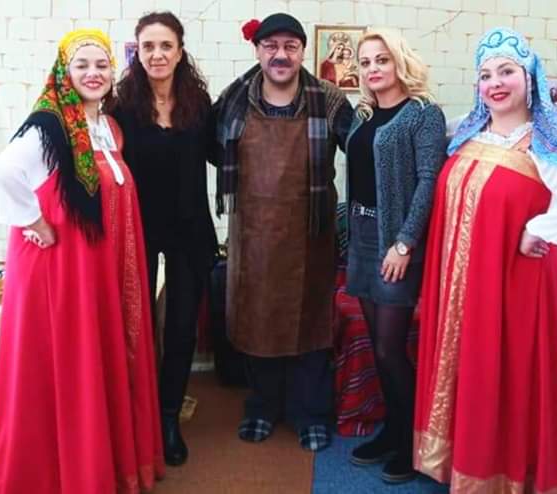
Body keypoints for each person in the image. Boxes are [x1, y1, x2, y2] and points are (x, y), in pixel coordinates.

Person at [413, 27, 557, 493]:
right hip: (458, 280)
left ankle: (495, 471)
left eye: (506, 71)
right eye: (485, 75)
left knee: (501, 369)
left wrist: (539, 229)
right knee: (464, 364)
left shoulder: (547, 143)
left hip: (511, 281)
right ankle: (454, 459)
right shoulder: (467, 133)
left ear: (530, 78)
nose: (495, 83)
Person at [0, 29, 164, 493]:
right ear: (64, 72)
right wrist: (33, 221)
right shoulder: (49, 126)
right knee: (65, 365)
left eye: (101, 65)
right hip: (60, 271)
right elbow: (3, 174)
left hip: (96, 269)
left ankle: (104, 461)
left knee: (99, 358)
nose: (93, 73)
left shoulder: (108, 128)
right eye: (82, 65)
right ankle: (66, 473)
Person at [214, 12, 353, 451]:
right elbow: (211, 150)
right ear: (257, 50)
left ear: (302, 52)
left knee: (311, 324)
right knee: (257, 323)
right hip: (252, 235)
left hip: (311, 235)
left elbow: (363, 148)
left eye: (290, 47)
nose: (280, 55)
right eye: (271, 46)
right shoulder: (234, 100)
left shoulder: (329, 100)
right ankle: (262, 407)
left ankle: (309, 413)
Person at [110, 11, 218, 467]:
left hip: (190, 229)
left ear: (179, 52)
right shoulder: (121, 107)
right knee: (136, 325)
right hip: (139, 229)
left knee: (181, 326)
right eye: (148, 46)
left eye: (165, 46)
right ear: (137, 52)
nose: (157, 54)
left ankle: (169, 416)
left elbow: (224, 153)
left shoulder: (198, 103)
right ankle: (139, 415)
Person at [344, 29, 446, 484]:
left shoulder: (423, 114)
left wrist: (405, 243)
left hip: (395, 241)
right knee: (378, 345)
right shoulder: (363, 114)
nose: (372, 69)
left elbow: (429, 180)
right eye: (365, 62)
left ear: (400, 61)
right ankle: (392, 430)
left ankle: (412, 442)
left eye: (381, 59)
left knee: (389, 347)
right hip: (362, 235)